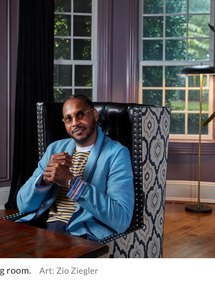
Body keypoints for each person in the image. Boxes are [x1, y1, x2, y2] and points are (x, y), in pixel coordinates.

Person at [16, 94, 134, 241]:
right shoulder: (55, 149)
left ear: (95, 115)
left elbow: (121, 219)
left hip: (82, 232)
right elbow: (23, 205)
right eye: (68, 118)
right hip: (45, 227)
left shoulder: (116, 153)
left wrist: (71, 183)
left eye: (80, 114)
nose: (75, 123)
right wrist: (45, 179)